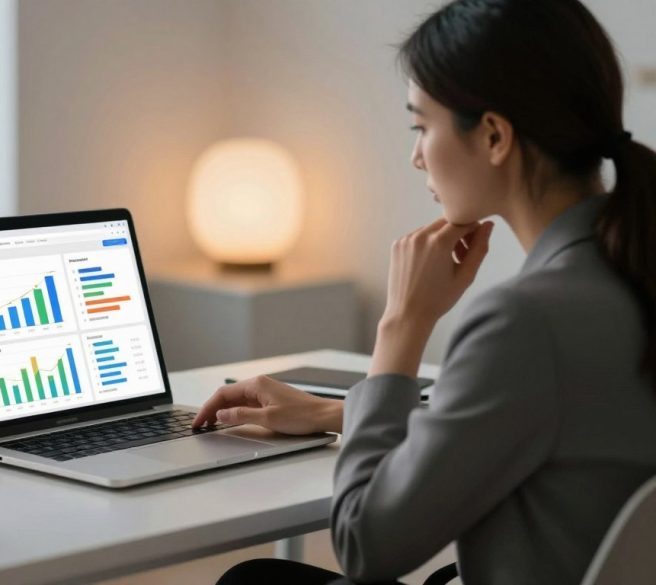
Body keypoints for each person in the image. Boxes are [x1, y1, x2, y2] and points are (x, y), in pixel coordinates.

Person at [192, 1, 656, 583]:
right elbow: (553, 422)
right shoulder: (632, 272)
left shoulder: (524, 323)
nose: (416, 156)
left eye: (420, 126)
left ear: (492, 135)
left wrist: (402, 324)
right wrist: (337, 413)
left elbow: (365, 545)